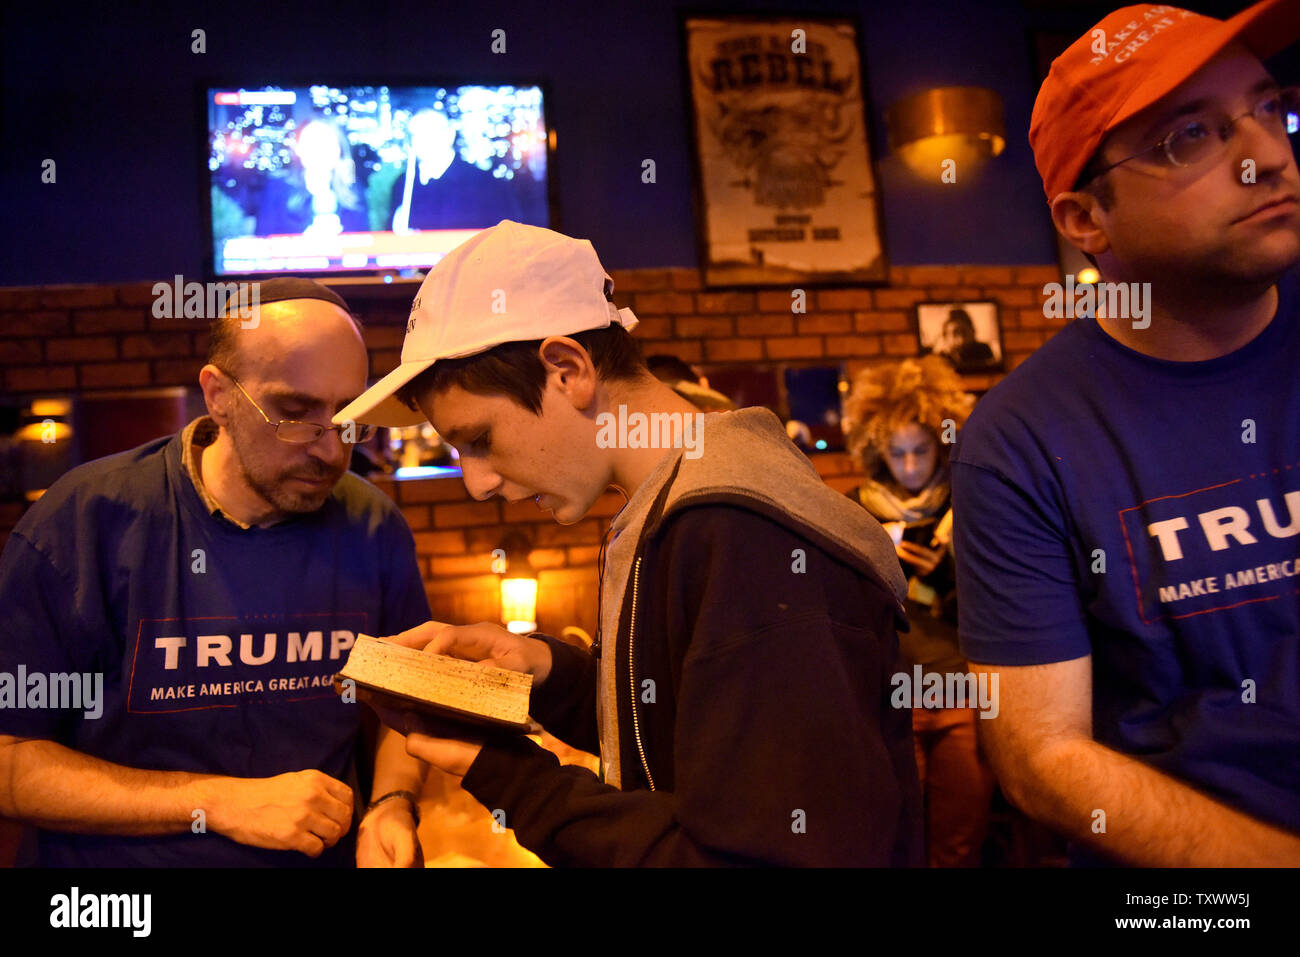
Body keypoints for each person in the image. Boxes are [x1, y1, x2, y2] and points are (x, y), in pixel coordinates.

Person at [332, 219, 924, 866]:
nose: (476, 483)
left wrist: (507, 774)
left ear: (567, 369)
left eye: (479, 440)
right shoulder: (678, 504)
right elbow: (687, 733)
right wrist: (542, 673)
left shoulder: (744, 536)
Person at [951, 0, 1300, 866]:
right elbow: (1042, 757)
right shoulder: (1020, 440)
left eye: (1268, 108)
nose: (1267, 156)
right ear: (1084, 222)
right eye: (1191, 137)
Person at [0, 278, 432, 867]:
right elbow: (12, 760)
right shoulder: (85, 521)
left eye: (350, 418)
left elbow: (404, 708)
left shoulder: (372, 526)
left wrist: (392, 803)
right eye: (295, 413)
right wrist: (219, 803)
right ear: (219, 395)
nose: (331, 450)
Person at [843, 356, 994, 867]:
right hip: (890, 696)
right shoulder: (854, 512)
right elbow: (840, 611)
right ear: (876, 448)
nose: (910, 467)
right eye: (897, 452)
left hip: (962, 691)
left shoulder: (972, 503)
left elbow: (1002, 600)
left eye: (922, 451)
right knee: (897, 837)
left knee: (960, 837)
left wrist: (946, 578)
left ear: (942, 441)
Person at [391, 109, 524, 233]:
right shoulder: (402, 184)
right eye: (416, 134)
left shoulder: (486, 184)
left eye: (431, 132)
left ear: (450, 134)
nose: (423, 140)